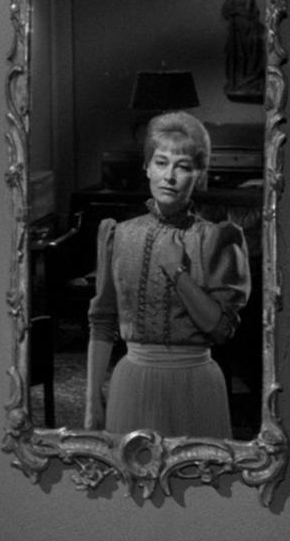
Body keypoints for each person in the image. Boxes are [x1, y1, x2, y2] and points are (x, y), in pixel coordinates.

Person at [84, 111, 250, 437]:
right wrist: (91, 402)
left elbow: (221, 330)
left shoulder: (216, 238)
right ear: (147, 167)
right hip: (133, 380)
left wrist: (178, 272)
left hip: (196, 381)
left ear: (198, 175)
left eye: (183, 166)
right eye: (161, 163)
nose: (169, 176)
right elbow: (102, 322)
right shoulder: (119, 235)